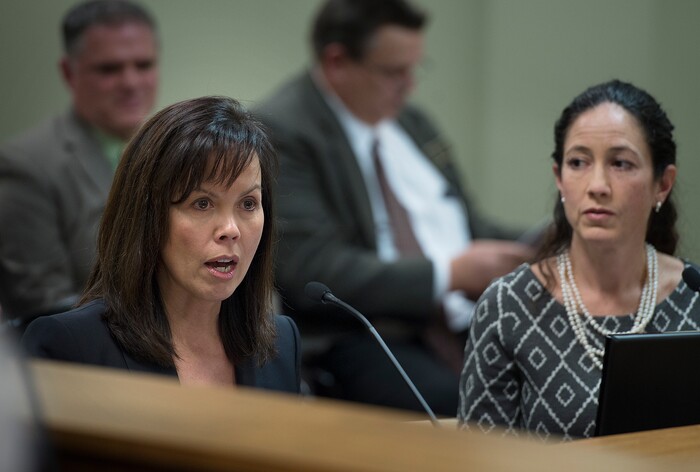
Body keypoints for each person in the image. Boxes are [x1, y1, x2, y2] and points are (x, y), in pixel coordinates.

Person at [256, 0, 532, 415]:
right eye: (393, 72)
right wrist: (449, 275)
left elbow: (470, 225)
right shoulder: (285, 130)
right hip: (362, 333)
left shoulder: (411, 122)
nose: (409, 85)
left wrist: (543, 242)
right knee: (468, 406)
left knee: (555, 383)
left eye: (414, 68)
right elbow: (311, 267)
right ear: (337, 62)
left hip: (461, 321)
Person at [457, 79, 700, 441]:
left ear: (662, 184)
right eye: (578, 162)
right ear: (559, 178)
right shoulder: (508, 306)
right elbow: (476, 459)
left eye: (620, 163)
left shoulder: (694, 296)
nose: (597, 184)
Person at [21, 96, 301, 394]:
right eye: (202, 203)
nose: (230, 230)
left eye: (248, 203)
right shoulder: (71, 346)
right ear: (147, 217)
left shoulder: (282, 343)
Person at [0, 0, 159, 328]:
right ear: (69, 73)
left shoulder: (173, 148)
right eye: (109, 69)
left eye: (143, 65)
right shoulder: (27, 165)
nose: (131, 82)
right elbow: (45, 308)